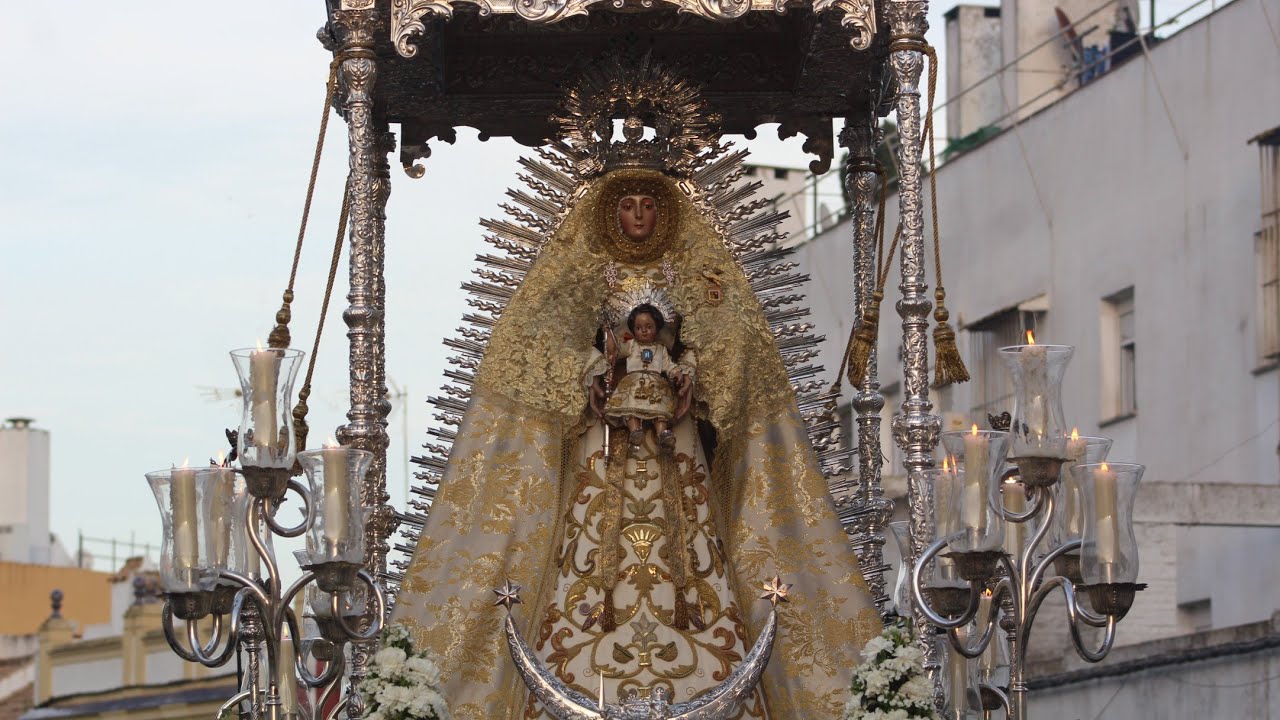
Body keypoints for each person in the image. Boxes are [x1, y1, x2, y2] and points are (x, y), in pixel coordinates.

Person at [393, 168, 880, 720]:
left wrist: (692, 375)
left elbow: (732, 344)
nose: (640, 215)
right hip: (602, 444)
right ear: (609, 213)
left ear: (666, 211)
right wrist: (591, 373)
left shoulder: (698, 272)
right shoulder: (579, 272)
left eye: (649, 203)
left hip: (678, 445)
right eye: (628, 204)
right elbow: (541, 339)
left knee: (696, 547)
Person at [602, 303, 685, 448]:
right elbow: (613, 350)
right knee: (631, 407)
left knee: (660, 410)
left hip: (655, 383)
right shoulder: (631, 345)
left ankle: (662, 432)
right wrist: (608, 332)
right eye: (638, 328)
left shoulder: (660, 348)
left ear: (657, 327)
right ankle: (635, 430)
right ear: (633, 330)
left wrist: (676, 373)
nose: (644, 331)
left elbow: (668, 365)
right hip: (634, 381)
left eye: (649, 327)